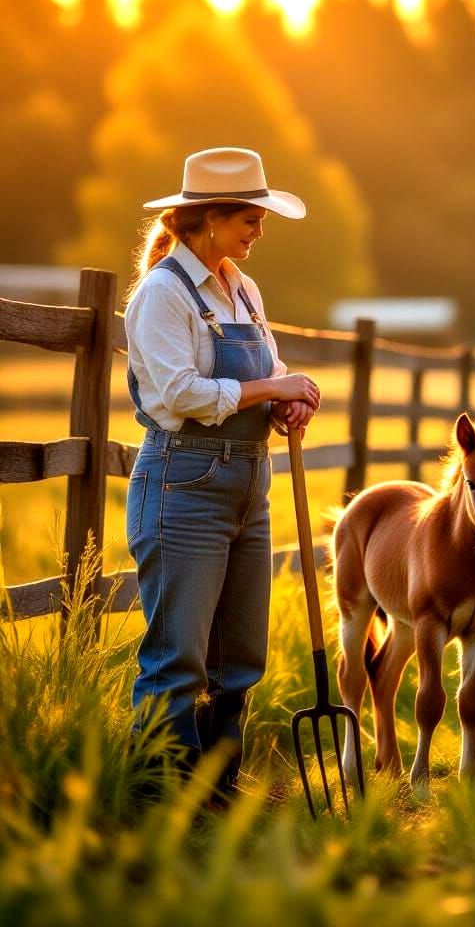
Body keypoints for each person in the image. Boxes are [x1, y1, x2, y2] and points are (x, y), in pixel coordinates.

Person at [125, 147, 320, 800]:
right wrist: (272, 386)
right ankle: (160, 795)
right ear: (207, 218)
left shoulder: (243, 288)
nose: (259, 232)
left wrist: (287, 399)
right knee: (178, 657)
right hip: (185, 483)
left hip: (249, 482)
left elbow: (266, 372)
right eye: (249, 219)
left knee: (239, 657)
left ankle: (217, 788)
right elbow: (181, 392)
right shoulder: (162, 294)